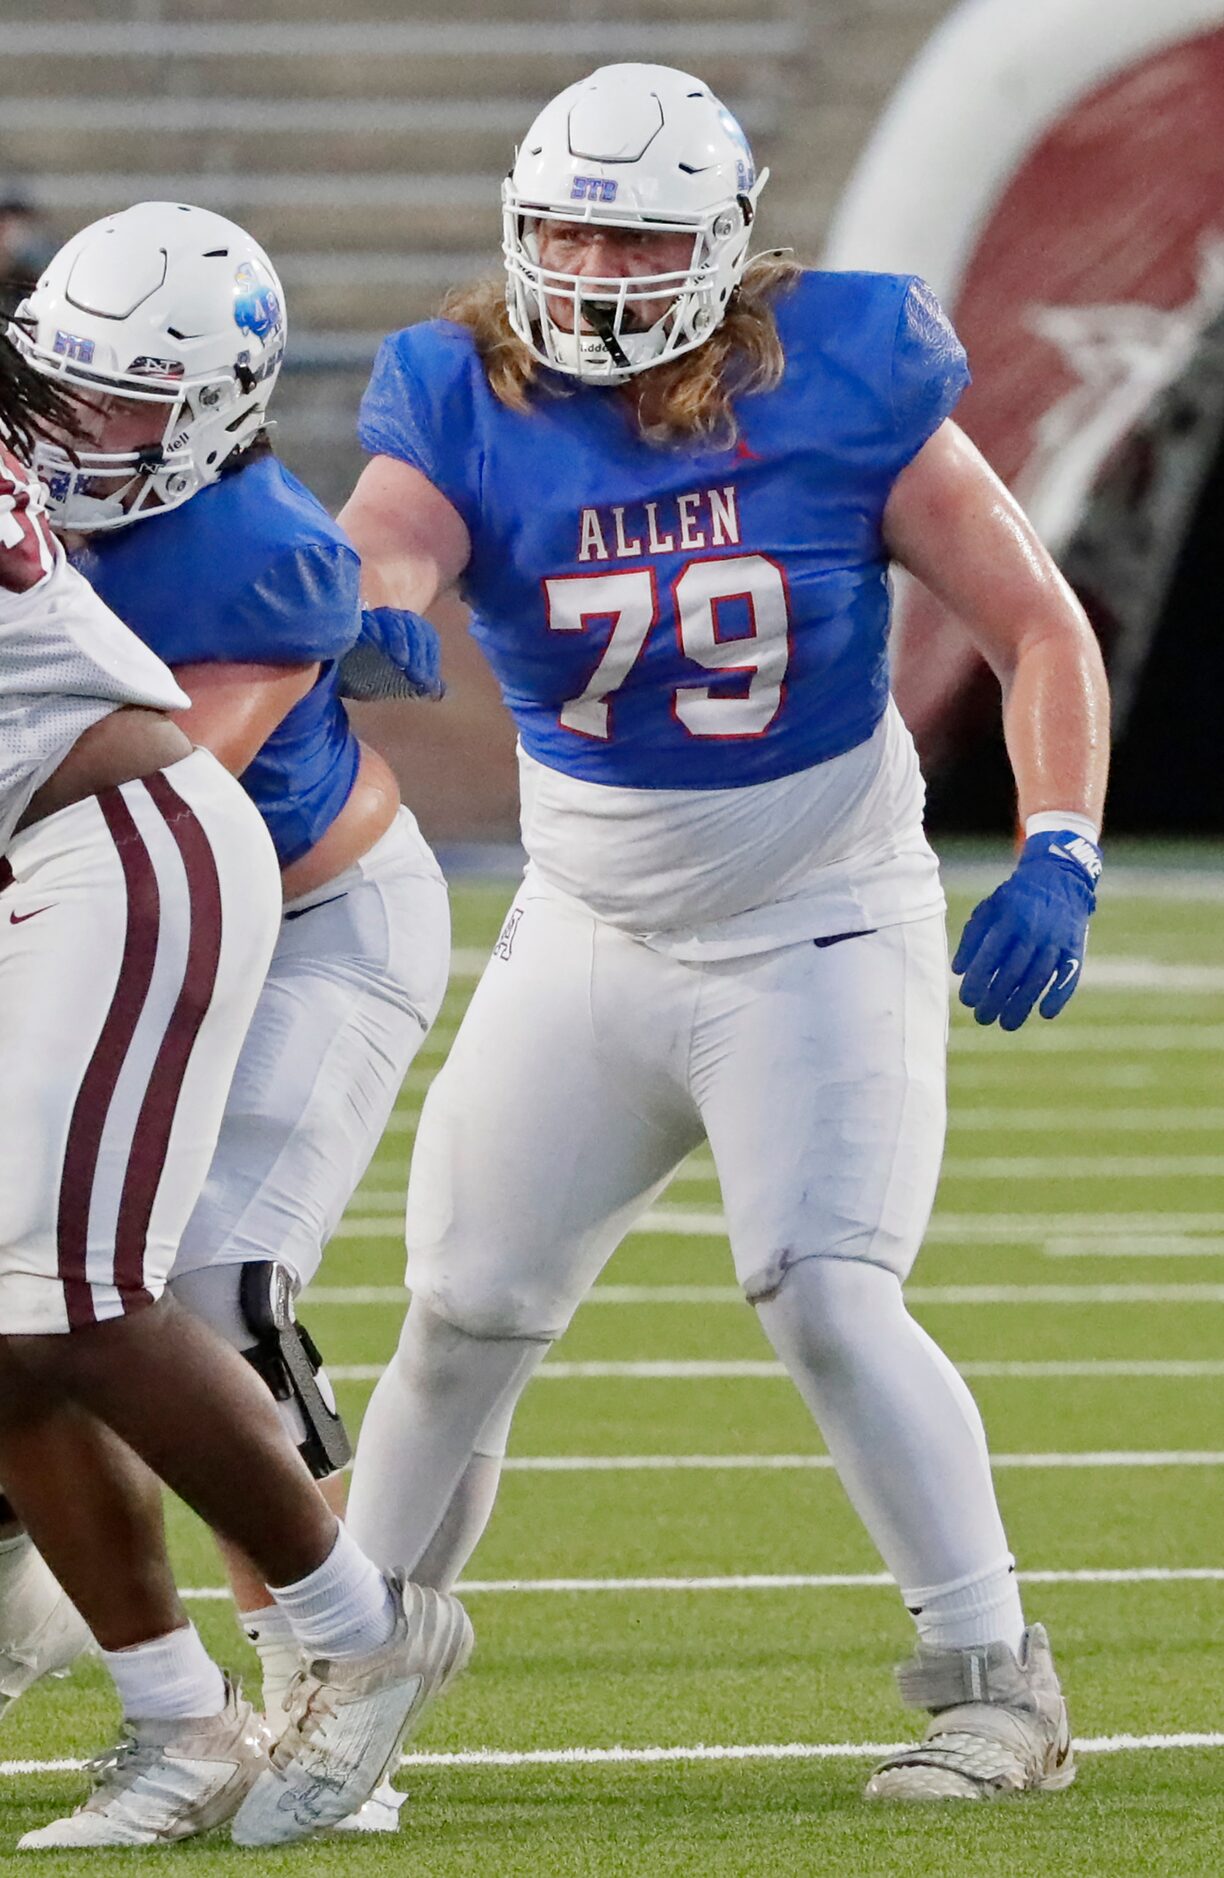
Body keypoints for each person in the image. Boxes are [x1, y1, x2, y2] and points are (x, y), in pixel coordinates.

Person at [335, 63, 1110, 1802]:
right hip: (591, 918)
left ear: (721, 245)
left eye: (634, 230)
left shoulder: (842, 373)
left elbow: (1035, 623)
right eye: (565, 226)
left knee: (829, 1293)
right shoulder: (458, 385)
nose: (596, 266)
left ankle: (996, 1675)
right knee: (459, 1309)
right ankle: (351, 1657)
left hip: (815, 912)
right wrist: (370, 608)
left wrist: (1057, 841)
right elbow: (386, 537)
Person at [0, 332, 470, 1847]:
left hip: (119, 850)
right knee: (13, 1327)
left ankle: (352, 1624)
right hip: (58, 858)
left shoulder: (253, 546)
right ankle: (178, 1719)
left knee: (99, 1290)